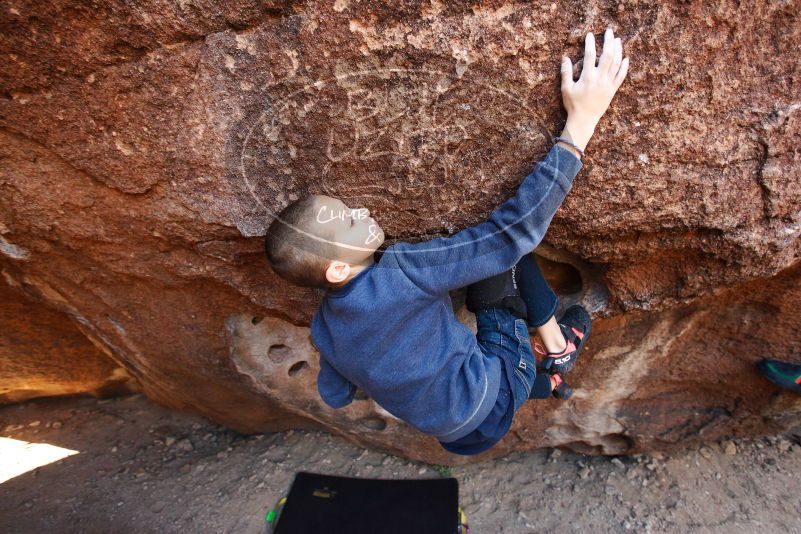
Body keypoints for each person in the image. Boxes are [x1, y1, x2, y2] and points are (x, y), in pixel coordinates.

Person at [264, 28, 629, 455]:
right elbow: (509, 234)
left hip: (453, 437)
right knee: (500, 257)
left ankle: (543, 381)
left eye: (349, 206)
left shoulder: (324, 331)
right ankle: (557, 348)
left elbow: (336, 395)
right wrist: (580, 125)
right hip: (490, 399)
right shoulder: (401, 271)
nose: (361, 212)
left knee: (481, 330)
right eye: (348, 220)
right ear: (338, 268)